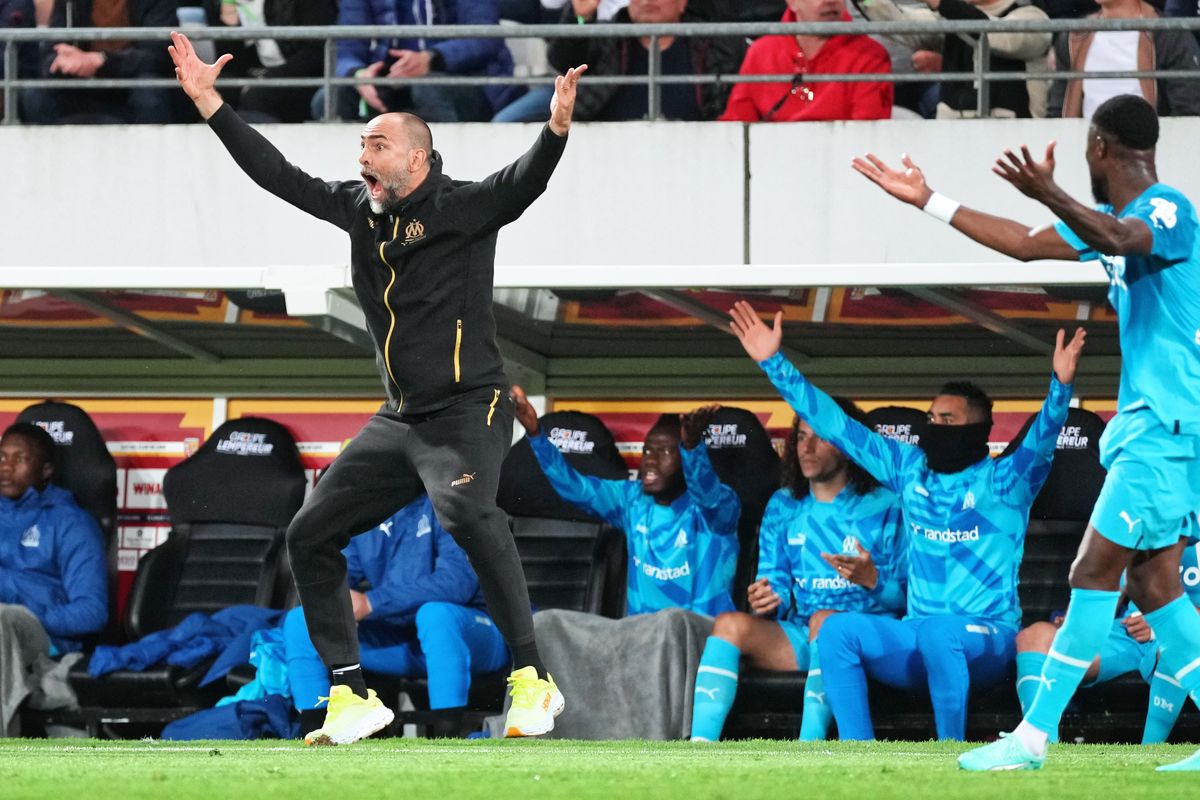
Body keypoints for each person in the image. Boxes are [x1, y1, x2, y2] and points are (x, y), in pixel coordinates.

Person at [169, 31, 587, 743]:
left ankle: (531, 677)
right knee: (309, 534)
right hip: (401, 420)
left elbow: (523, 184)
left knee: (465, 512)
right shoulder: (359, 210)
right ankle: (351, 694)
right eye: (360, 145)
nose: (362, 156)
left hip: (469, 406)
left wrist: (553, 130)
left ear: (417, 158)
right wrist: (211, 103)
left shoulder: (460, 208)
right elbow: (279, 174)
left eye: (377, 145)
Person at [850, 93, 1200, 771]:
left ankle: (1033, 737)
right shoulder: (1106, 219)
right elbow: (1023, 245)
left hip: (1165, 429)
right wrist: (928, 200)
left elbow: (1122, 241)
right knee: (1157, 588)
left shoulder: (1166, 208)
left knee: (1091, 570)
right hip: (1156, 431)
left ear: (1100, 145)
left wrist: (1052, 191)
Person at [727, 301, 1082, 741]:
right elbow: (836, 425)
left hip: (987, 640)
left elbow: (1043, 441)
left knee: (939, 632)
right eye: (930, 417)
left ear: (977, 431)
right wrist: (773, 363)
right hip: (916, 636)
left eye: (946, 420)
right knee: (836, 630)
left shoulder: (1005, 482)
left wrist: (1060, 387)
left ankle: (946, 752)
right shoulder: (909, 468)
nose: (933, 426)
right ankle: (859, 755)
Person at [689, 406, 907, 743]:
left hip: (870, 641)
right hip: (804, 635)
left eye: (820, 439)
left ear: (848, 445)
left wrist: (872, 580)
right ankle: (698, 751)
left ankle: (807, 749)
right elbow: (773, 577)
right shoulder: (783, 504)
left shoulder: (887, 504)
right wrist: (767, 598)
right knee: (729, 625)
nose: (806, 447)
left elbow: (907, 598)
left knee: (826, 622)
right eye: (801, 437)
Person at [290, 494, 509, 744]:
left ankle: (448, 738)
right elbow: (339, 575)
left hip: (476, 633)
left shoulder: (452, 499)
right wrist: (336, 600)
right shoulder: (365, 510)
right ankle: (316, 736)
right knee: (302, 621)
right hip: (403, 642)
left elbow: (456, 583)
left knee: (436, 616)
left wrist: (372, 602)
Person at [511, 387, 740, 616]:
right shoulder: (633, 500)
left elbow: (708, 498)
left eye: (665, 452)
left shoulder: (718, 508)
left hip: (703, 643)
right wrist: (536, 434)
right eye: (648, 450)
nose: (650, 460)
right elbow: (576, 488)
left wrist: (692, 449)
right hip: (642, 642)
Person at [0, 423, 106, 736]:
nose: (6, 467)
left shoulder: (70, 522)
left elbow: (91, 611)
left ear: (46, 470)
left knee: (3, 619)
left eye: (20, 459)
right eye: (2, 457)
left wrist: (34, 613)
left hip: (41, 635)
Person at [314, 0, 520, 122]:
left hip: (465, 82)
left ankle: (443, 182)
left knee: (428, 89)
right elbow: (346, 47)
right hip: (390, 82)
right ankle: (352, 182)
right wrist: (358, 75)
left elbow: (486, 38)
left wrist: (432, 59)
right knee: (328, 98)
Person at [850, 0, 1051, 119]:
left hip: (1017, 139)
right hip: (952, 134)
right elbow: (900, 23)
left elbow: (995, 34)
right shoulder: (952, 17)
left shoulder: (1032, 17)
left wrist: (942, 3)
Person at [719, 0, 893, 122]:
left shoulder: (871, 56)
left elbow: (868, 133)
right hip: (771, 164)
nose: (830, 0)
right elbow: (736, 124)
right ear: (792, 2)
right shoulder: (761, 52)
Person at [21, 0, 177, 124]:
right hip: (82, 87)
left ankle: (148, 160)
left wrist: (101, 61)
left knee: (150, 93)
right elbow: (51, 52)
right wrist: (63, 61)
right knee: (34, 95)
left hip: (132, 85)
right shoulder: (70, 2)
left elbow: (159, 57)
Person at [1047, 0, 1200, 118]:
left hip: (1148, 151)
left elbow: (1187, 112)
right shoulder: (1073, 38)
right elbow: (1057, 110)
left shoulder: (1169, 36)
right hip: (1088, 151)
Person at [200, 0, 339, 123]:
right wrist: (230, 24)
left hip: (306, 77)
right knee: (212, 90)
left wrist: (266, 79)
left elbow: (315, 54)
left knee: (257, 96)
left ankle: (263, 149)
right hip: (260, 74)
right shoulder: (222, 4)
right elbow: (233, 64)